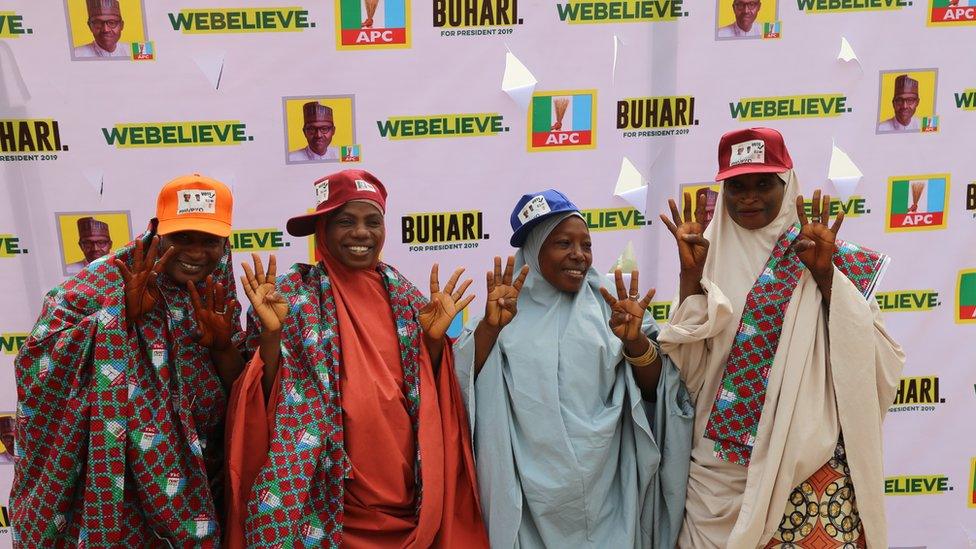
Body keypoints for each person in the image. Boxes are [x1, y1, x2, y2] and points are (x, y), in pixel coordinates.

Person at [657, 127, 904, 548]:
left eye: (763, 183)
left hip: (804, 469)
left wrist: (825, 276)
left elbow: (881, 361)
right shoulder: (704, 253)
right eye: (736, 186)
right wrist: (690, 278)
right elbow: (689, 375)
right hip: (716, 472)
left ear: (786, 185)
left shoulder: (824, 253)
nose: (748, 196)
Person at [224, 169, 489, 548]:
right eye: (345, 221)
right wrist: (272, 334)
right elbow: (264, 399)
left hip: (404, 494)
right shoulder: (291, 296)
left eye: (372, 221)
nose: (361, 233)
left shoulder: (406, 296)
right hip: (328, 498)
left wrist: (433, 343)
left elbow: (433, 395)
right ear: (323, 231)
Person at [12, 174, 245, 546]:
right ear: (157, 231)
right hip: (121, 475)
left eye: (210, 241)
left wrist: (221, 347)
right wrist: (120, 317)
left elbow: (238, 389)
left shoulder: (218, 286)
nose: (197, 253)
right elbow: (35, 359)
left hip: (202, 472)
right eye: (183, 238)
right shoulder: (107, 279)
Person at [454, 189, 693, 548]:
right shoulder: (500, 314)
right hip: (530, 506)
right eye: (563, 243)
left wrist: (635, 343)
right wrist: (491, 328)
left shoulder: (611, 306)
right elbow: (466, 392)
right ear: (534, 251)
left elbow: (658, 392)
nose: (578, 256)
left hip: (611, 496)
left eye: (586, 245)